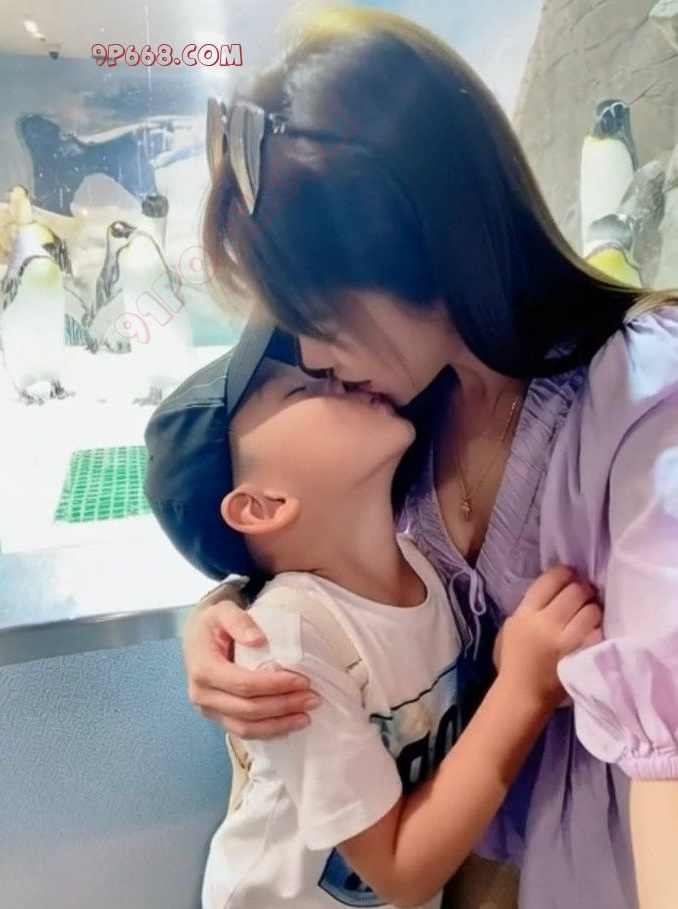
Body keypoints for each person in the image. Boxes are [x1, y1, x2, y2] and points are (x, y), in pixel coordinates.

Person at [181, 7, 678, 908]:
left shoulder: (643, 406)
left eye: (316, 318)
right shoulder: (402, 416)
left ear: (420, 245)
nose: (313, 358)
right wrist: (225, 614)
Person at [143, 319, 601, 909]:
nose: (333, 374)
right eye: (302, 389)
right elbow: (401, 875)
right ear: (263, 506)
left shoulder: (422, 569)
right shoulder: (285, 644)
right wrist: (524, 689)